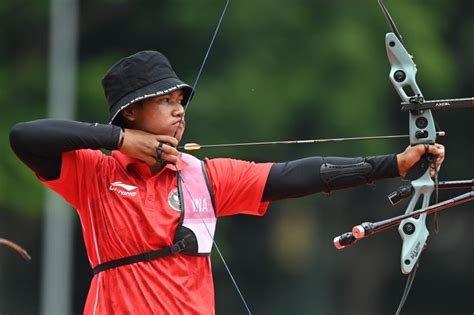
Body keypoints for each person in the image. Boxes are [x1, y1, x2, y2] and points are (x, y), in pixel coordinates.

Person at [9, 50, 445, 314]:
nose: (180, 111)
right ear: (131, 112)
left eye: (181, 101)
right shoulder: (96, 174)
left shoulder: (205, 177)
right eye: (165, 102)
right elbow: (24, 137)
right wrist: (117, 141)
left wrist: (394, 164)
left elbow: (294, 176)